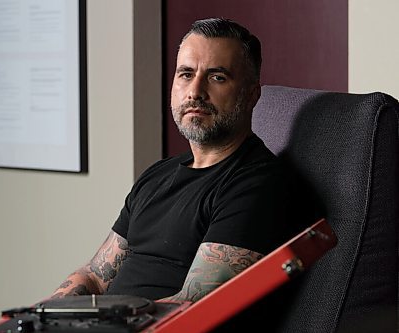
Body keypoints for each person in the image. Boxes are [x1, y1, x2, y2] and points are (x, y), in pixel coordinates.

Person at [50, 18, 304, 303]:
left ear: (251, 94)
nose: (195, 91)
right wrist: (40, 318)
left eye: (217, 77)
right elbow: (95, 275)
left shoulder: (257, 183)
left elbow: (193, 307)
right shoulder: (157, 176)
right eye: (186, 74)